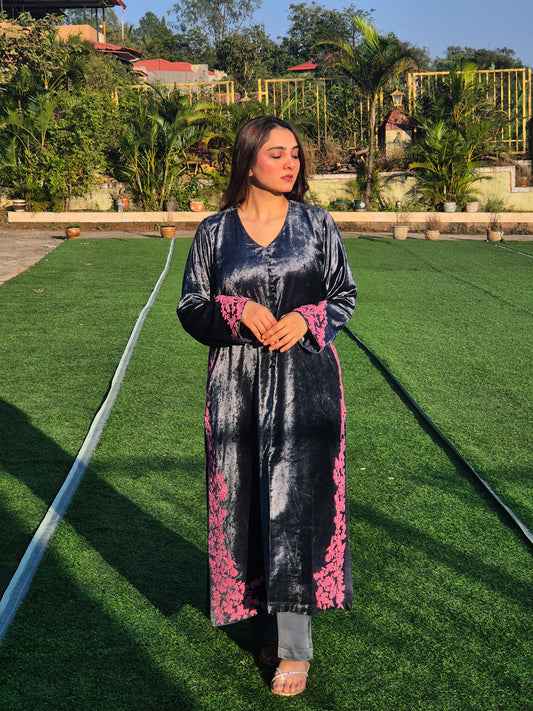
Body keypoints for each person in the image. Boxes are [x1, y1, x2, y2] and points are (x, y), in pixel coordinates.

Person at [177, 116, 357, 697]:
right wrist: (237, 311)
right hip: (237, 387)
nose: (290, 163)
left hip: (307, 382)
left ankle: (295, 647)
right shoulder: (214, 232)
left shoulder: (317, 224)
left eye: (295, 154)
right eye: (276, 153)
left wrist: (305, 318)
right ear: (248, 160)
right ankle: (264, 622)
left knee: (297, 501)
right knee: (248, 499)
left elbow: (344, 295)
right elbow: (190, 306)